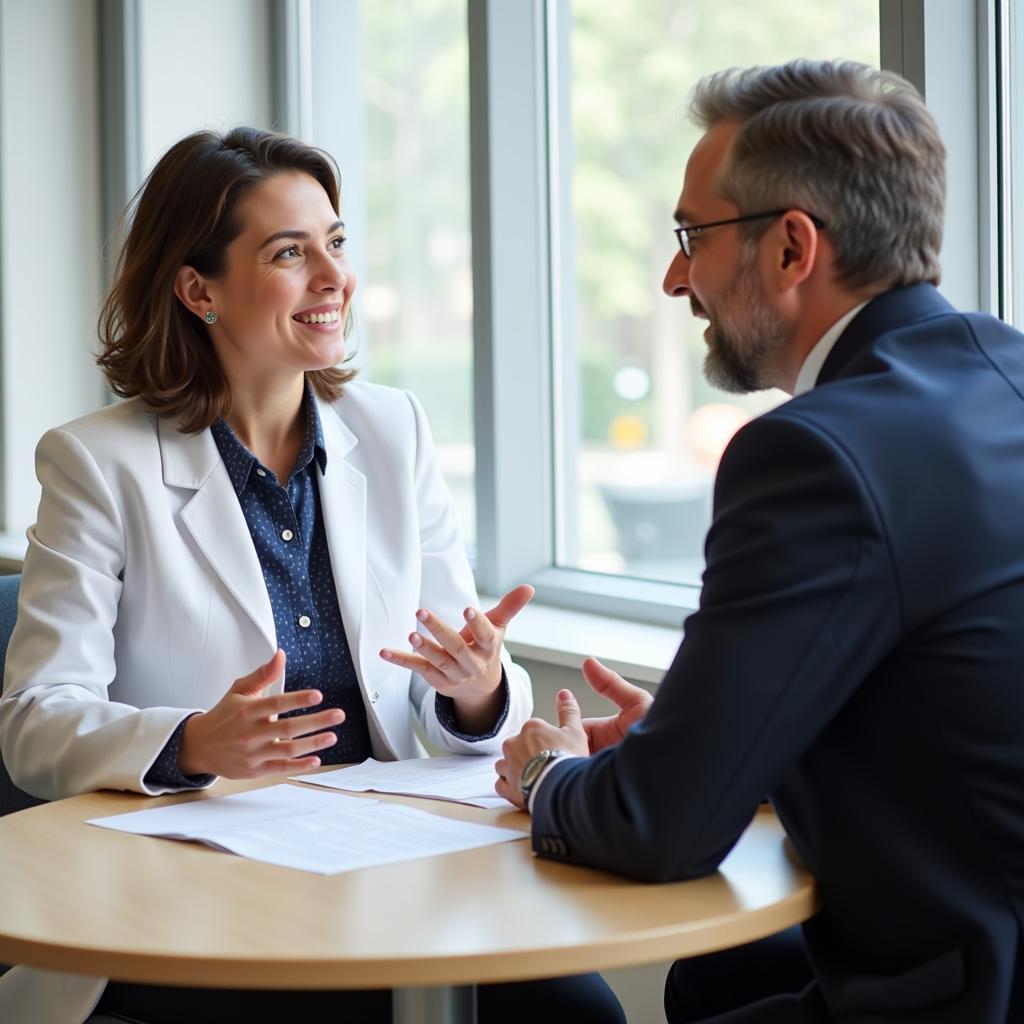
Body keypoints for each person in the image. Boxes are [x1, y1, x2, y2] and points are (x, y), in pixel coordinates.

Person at [0, 127, 624, 1024]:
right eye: (291, 253)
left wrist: (478, 690)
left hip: (391, 868)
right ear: (197, 289)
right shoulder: (99, 464)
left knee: (577, 1013)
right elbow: (33, 723)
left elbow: (455, 694)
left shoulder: (393, 428)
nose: (335, 278)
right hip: (189, 894)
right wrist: (190, 746)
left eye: (336, 243)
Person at [495, 58, 1024, 1023]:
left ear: (791, 248)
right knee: (720, 979)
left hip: (970, 989)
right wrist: (693, 734)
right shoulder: (1004, 375)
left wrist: (546, 777)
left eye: (692, 235)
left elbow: (662, 829)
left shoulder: (813, 455)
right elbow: (951, 692)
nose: (672, 277)